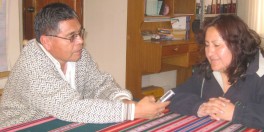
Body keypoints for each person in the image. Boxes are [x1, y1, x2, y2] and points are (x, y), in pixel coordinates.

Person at [0, 3, 169, 128]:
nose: (80, 41)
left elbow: (99, 85)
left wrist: (124, 101)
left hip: (60, 121)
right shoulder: (33, 65)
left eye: (80, 33)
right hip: (22, 126)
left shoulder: (78, 55)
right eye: (71, 36)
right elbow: (70, 106)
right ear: (46, 41)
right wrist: (133, 112)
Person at [168, 14, 264, 131]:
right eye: (207, 45)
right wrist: (201, 106)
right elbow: (171, 97)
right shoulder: (207, 71)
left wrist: (235, 112)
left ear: (237, 46)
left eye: (216, 45)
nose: (209, 53)